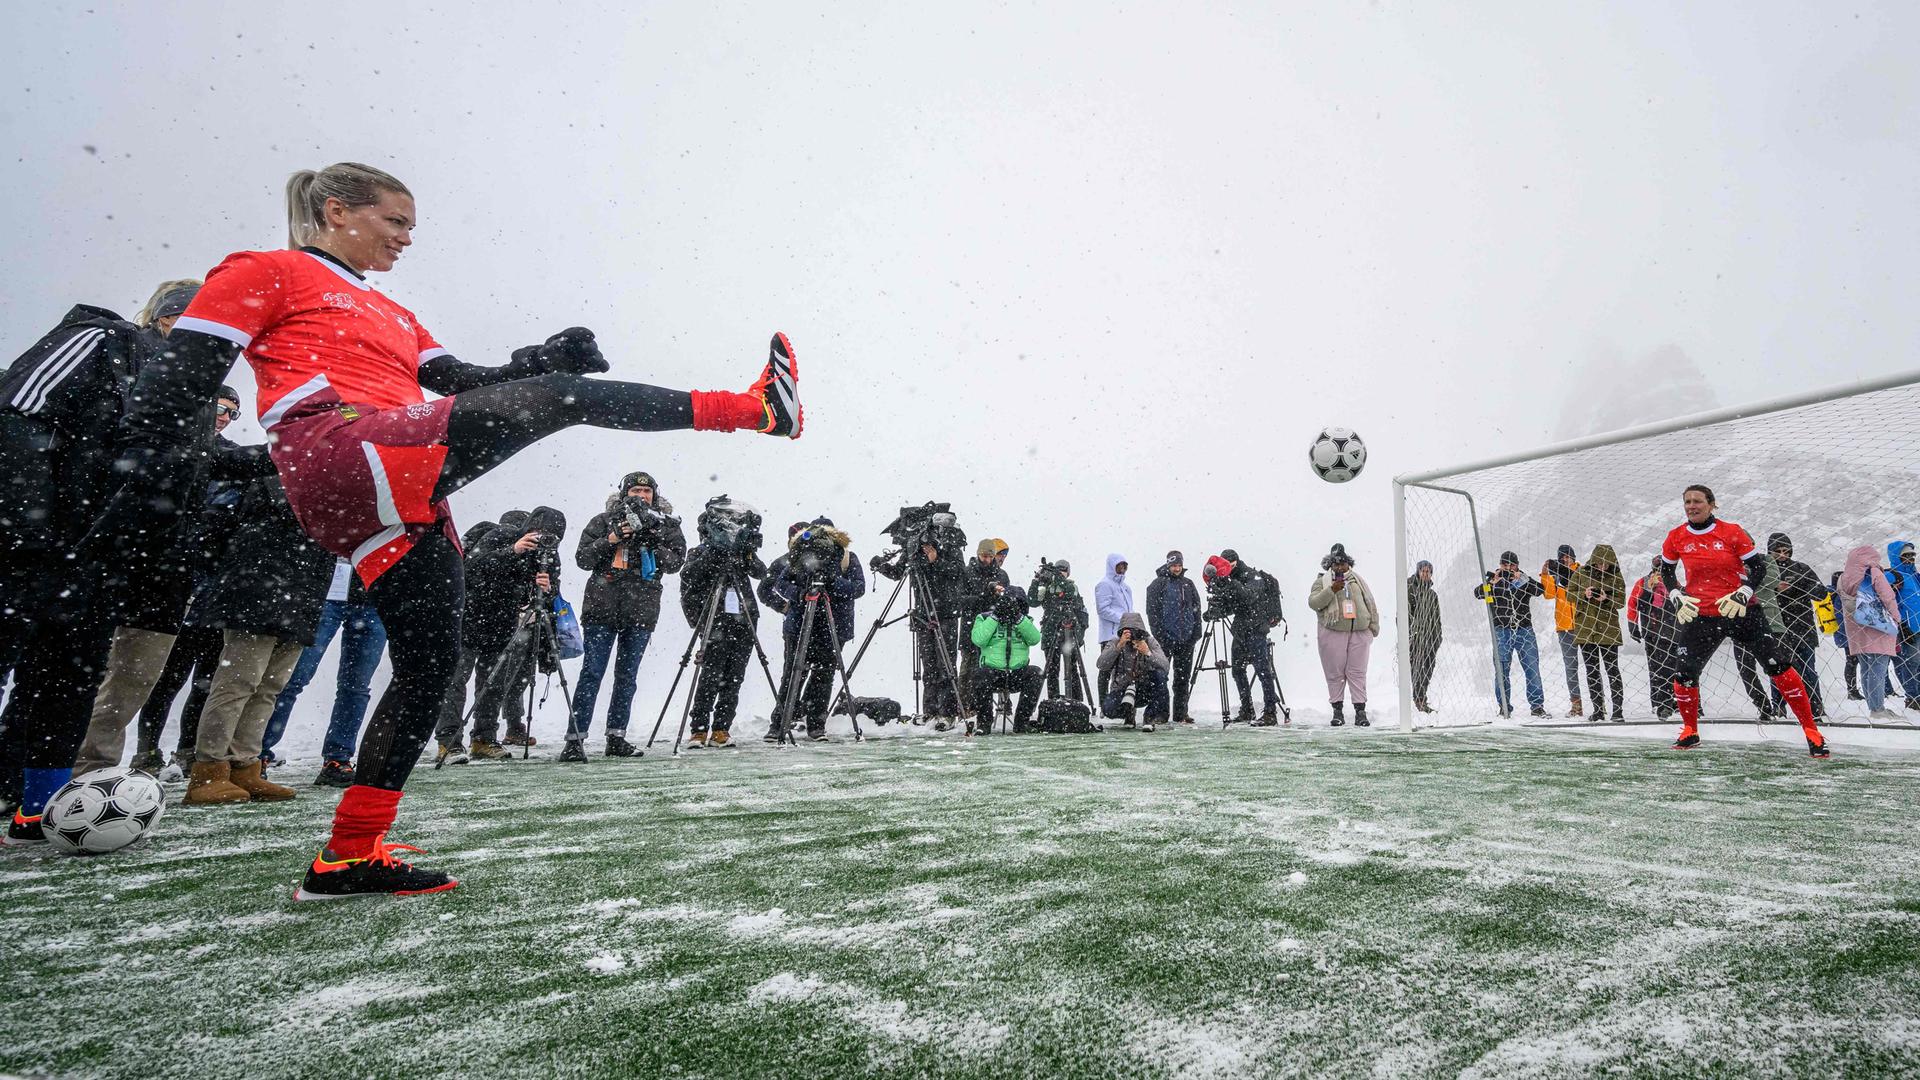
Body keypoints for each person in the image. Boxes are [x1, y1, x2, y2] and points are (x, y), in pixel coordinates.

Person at [85, 163, 802, 896]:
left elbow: (463, 383)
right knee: (564, 402)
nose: (405, 239)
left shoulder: (395, 314)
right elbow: (176, 383)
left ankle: (348, 856)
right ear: (336, 211)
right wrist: (136, 493)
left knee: (430, 663)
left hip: (400, 480)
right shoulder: (264, 271)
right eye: (395, 222)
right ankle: (755, 411)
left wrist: (540, 360)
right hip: (341, 449)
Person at [1, 279, 266, 842]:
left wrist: (300, 451)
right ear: (174, 319)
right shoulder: (101, 338)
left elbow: (211, 461)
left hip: (102, 561)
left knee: (64, 681)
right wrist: (28, 528)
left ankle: (38, 807)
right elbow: (19, 408)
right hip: (34, 547)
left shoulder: (187, 396)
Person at [70, 379, 272, 779]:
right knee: (145, 672)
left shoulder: (228, 457)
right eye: (217, 409)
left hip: (203, 581)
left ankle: (181, 752)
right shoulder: (158, 442)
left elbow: (234, 513)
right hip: (146, 566)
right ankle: (137, 754)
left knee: (193, 674)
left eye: (232, 413)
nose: (223, 418)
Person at [177, 473, 337, 806]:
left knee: (269, 687)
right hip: (257, 595)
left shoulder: (331, 490)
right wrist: (237, 577)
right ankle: (208, 769)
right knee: (237, 684)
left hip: (303, 597)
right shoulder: (262, 483)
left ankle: (245, 766)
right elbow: (212, 535)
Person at [1660, 485, 1827, 758]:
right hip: (1701, 614)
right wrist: (1676, 593)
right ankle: (1690, 731)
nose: (1692, 506)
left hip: (1741, 611)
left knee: (1777, 666)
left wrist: (1744, 591)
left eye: (1698, 501)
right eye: (1687, 502)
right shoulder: (1677, 536)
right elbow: (1667, 570)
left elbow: (1759, 566)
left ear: (1712, 504)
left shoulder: (1731, 531)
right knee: (1684, 673)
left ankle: (1811, 731)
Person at [569, 471, 687, 756]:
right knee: (592, 673)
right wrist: (611, 538)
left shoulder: (666, 524)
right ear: (624, 494)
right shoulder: (603, 520)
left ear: (654, 495)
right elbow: (582, 559)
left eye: (646, 492)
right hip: (602, 606)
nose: (641, 496)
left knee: (627, 676)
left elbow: (675, 563)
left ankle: (616, 737)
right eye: (635, 491)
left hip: (641, 609)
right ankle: (575, 740)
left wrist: (652, 538)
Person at [436, 510, 561, 761]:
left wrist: (546, 588)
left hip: (503, 624)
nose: (543, 539)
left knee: (493, 683)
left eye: (553, 536)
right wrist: (512, 551)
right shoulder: (500, 535)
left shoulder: (548, 555)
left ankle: (484, 739)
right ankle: (448, 742)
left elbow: (551, 591)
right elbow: (471, 568)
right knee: (456, 681)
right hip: (469, 619)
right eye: (539, 532)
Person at [257, 558, 388, 786]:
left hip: (374, 596)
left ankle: (337, 759)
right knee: (293, 678)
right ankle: (256, 755)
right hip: (326, 592)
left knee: (356, 686)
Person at [1205, 550, 1284, 725]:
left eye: (1228, 565)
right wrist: (1215, 611)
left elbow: (1248, 597)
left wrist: (1230, 583)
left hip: (1256, 630)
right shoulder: (1230, 579)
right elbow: (1233, 605)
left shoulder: (1252, 576)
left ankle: (1270, 712)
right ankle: (1247, 709)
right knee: (1237, 670)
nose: (1226, 569)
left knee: (1263, 670)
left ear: (1235, 562)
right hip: (1241, 629)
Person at [1307, 544, 1379, 727]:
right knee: (1335, 672)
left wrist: (1373, 626)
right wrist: (1332, 590)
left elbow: (1369, 601)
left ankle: (1360, 711)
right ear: (1330, 565)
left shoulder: (1357, 581)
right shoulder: (1321, 582)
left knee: (1357, 672)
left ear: (1349, 563)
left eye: (1343, 563)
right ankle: (1337, 711)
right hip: (1333, 631)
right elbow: (1314, 603)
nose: (1340, 567)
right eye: (1336, 564)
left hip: (1360, 631)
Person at [1473, 551, 1547, 719]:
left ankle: (1537, 706)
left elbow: (1539, 590)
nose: (1508, 568)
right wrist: (1492, 583)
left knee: (1532, 668)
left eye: (1511, 565)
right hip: (1502, 631)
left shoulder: (1523, 579)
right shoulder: (1493, 580)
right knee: (1501, 670)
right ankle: (1504, 707)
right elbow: (1477, 593)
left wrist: (1522, 579)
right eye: (1504, 565)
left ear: (1517, 565)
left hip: (1524, 629)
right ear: (1500, 565)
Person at [1767, 534, 1828, 721]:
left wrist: (1797, 586)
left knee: (1808, 670)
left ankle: (1816, 709)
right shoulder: (1765, 570)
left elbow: (1821, 593)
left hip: (1804, 629)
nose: (1782, 555)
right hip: (1777, 628)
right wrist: (1774, 589)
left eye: (1786, 551)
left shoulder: (1802, 568)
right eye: (1777, 551)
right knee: (1778, 671)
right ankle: (1779, 708)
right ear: (1770, 552)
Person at [1838, 545, 1903, 720]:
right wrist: (1897, 618)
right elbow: (1887, 596)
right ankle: (1878, 709)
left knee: (1866, 669)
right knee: (1878, 670)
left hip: (1856, 630)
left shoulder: (1844, 577)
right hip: (1877, 628)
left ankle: (1873, 706)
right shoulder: (1873, 573)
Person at [967, 587, 1043, 734]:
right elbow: (978, 640)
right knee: (980, 675)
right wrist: (995, 616)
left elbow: (1034, 639)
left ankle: (1022, 723)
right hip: (993, 672)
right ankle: (984, 724)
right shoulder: (983, 618)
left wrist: (1018, 618)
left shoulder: (1025, 620)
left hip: (1017, 672)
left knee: (1036, 673)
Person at [1570, 544, 1626, 722]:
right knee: (1592, 671)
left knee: (1612, 670)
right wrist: (1584, 594)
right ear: (1594, 561)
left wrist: (1606, 598)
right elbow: (1569, 595)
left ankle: (1617, 710)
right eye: (1600, 563)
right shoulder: (1580, 573)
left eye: (1606, 564)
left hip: (1608, 628)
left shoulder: (1616, 576)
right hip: (1586, 629)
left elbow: (1621, 601)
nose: (1603, 566)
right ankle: (1598, 710)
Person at [1146, 552, 1202, 723]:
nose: (1177, 568)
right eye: (1174, 565)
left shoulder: (1188, 584)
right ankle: (1160, 714)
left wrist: (1195, 634)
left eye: (1179, 565)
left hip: (1186, 639)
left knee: (1183, 678)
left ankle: (1180, 713)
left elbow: (1196, 609)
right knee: (1160, 677)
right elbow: (1152, 612)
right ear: (1168, 565)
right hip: (1165, 641)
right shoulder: (1158, 584)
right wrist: (1160, 636)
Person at [958, 538, 1011, 715]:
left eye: (990, 556)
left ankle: (990, 706)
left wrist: (996, 597)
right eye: (984, 556)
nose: (987, 560)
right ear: (978, 554)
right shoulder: (967, 573)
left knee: (993, 668)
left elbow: (1007, 601)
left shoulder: (1001, 575)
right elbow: (959, 601)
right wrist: (983, 596)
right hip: (970, 627)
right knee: (967, 670)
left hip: (994, 630)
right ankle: (965, 707)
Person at [1028, 559, 1090, 703]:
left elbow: (1069, 595)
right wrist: (1037, 580)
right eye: (1058, 570)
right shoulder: (1046, 588)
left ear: (1068, 572)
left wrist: (1058, 577)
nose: (1060, 573)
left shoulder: (1071, 586)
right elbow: (1032, 601)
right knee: (1051, 670)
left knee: (1072, 669)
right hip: (1051, 632)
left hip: (1069, 632)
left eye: (1063, 570)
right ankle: (1053, 701)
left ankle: (1076, 701)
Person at [1096, 612, 1171, 731]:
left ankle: (1150, 716)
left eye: (1136, 631)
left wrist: (1148, 653)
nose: (1132, 636)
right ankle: (1128, 713)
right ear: (1122, 632)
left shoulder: (1149, 642)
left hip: (1145, 689)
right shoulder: (1116, 642)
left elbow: (1166, 666)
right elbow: (1101, 665)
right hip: (1122, 690)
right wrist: (1118, 647)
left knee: (1160, 675)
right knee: (1109, 709)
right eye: (1128, 632)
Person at [1627, 556, 1680, 718]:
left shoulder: (1673, 583)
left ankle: (1675, 701)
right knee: (1655, 668)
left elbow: (1681, 600)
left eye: (1663, 568)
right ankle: (1657, 701)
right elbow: (1633, 604)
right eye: (1658, 567)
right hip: (1652, 632)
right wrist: (1633, 626)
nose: (1660, 571)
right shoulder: (1643, 582)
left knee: (1674, 668)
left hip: (1672, 632)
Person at [1539, 544, 1584, 717]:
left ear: (1573, 556)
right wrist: (1545, 574)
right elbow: (1549, 594)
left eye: (1568, 556)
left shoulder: (1581, 570)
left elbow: (1579, 584)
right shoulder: (1555, 575)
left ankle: (1598, 702)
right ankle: (1576, 705)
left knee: (1591, 666)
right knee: (1570, 667)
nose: (1565, 559)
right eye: (1562, 557)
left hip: (1583, 624)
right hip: (1565, 627)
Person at [1884, 541, 1920, 711]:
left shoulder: (1915, 576)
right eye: (1906, 556)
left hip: (1918, 625)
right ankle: (1913, 697)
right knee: (1911, 663)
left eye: (1912, 555)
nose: (1910, 559)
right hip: (1908, 626)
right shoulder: (1892, 575)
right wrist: (1900, 624)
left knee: (1917, 664)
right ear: (1896, 557)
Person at [1094, 554, 1134, 703]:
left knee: (1123, 669)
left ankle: (1116, 702)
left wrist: (1132, 624)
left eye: (1124, 566)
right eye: (1119, 566)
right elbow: (1103, 609)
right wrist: (1124, 619)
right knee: (1106, 668)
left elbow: (1129, 609)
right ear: (1112, 566)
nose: (1122, 569)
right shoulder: (1104, 584)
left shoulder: (1126, 588)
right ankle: (1103, 703)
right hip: (1110, 635)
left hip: (1125, 633)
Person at [1405, 560, 1442, 714]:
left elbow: (1437, 618)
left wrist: (1438, 636)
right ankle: (1418, 700)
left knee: (1428, 668)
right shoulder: (1409, 590)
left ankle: (1421, 697)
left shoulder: (1433, 594)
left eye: (1428, 572)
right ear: (1418, 572)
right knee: (1417, 669)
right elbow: (1403, 614)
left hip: (1431, 639)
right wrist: (1409, 634)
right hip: (1415, 637)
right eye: (1423, 571)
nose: (1425, 574)